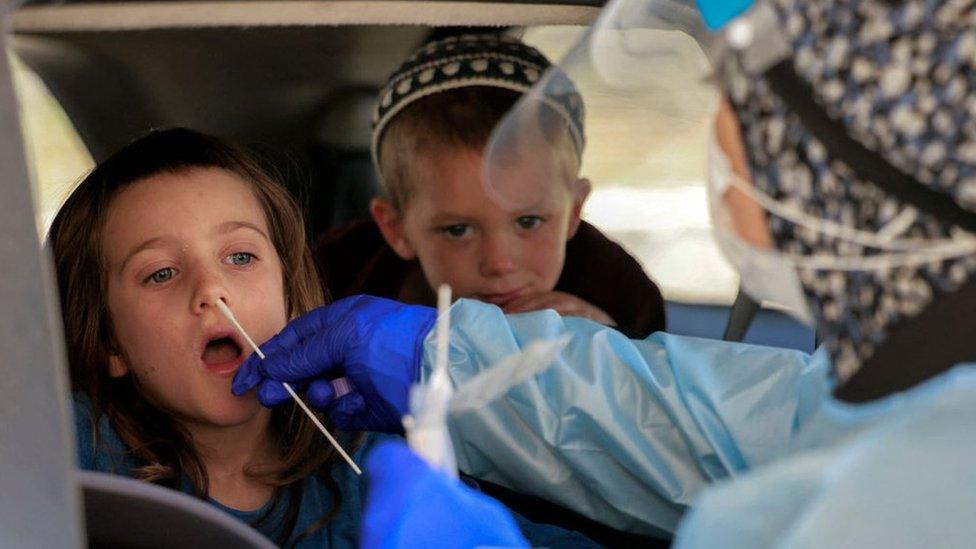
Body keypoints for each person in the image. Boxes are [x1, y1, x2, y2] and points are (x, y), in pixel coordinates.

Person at [235, 0, 976, 545]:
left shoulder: (919, 481)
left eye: (738, 99)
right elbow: (704, 425)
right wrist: (442, 357)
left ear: (834, 160)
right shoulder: (901, 392)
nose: (723, 131)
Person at [48, 128, 599, 547]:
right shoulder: (67, 451)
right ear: (109, 343)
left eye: (241, 257)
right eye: (161, 273)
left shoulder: (375, 469)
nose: (212, 290)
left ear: (289, 294)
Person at [315, 33, 667, 338]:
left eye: (528, 222)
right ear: (397, 229)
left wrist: (609, 347)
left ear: (573, 212)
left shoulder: (618, 294)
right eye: (457, 230)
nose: (499, 263)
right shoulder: (333, 284)